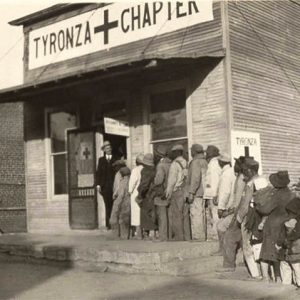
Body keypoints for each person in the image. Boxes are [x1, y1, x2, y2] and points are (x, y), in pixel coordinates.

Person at [219, 158, 262, 275]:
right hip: (259, 216)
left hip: (248, 216)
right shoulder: (263, 180)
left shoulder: (249, 183)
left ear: (250, 170)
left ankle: (254, 274)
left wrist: (238, 218)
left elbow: (244, 203)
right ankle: (260, 272)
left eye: (245, 170)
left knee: (238, 240)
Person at [256, 171, 294, 282]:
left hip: (274, 225)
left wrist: (258, 204)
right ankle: (278, 277)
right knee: (279, 253)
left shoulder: (277, 195)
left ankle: (265, 277)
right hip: (286, 225)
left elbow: (265, 209)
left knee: (266, 252)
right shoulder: (291, 194)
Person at [166, 144, 191, 241]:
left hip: (177, 192)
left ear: (176, 153)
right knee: (185, 215)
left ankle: (179, 237)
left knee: (177, 215)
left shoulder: (174, 164)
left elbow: (172, 181)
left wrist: (168, 192)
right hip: (186, 191)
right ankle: (187, 236)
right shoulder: (187, 163)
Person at [214, 154, 236, 255]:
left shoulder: (226, 174)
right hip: (233, 205)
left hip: (229, 206)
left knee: (220, 227)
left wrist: (221, 207)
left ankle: (222, 250)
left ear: (221, 163)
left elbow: (225, 192)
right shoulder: (232, 172)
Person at [277, 196, 300, 287]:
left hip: (294, 250)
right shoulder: (292, 221)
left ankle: (288, 285)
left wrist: (284, 241)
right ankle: (290, 285)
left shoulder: (292, 222)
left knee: (295, 268)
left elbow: (292, 235)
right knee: (293, 268)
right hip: (290, 250)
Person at [186, 144, 207, 242]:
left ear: (194, 152)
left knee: (196, 214)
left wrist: (191, 192)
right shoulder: (205, 161)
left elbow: (195, 178)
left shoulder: (195, 162)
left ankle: (198, 237)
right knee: (202, 214)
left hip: (197, 193)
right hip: (204, 192)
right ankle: (203, 235)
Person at [96, 141, 119, 228]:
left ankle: (115, 224)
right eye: (107, 148)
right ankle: (108, 224)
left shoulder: (116, 159)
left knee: (115, 205)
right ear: (104, 150)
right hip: (105, 187)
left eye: (109, 148)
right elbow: (98, 173)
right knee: (107, 205)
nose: (108, 149)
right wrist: (98, 185)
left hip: (114, 186)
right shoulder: (101, 160)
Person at [153, 145, 172, 242]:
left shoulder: (160, 166)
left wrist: (154, 180)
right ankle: (168, 235)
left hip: (162, 193)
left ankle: (163, 236)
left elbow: (159, 180)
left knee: (162, 216)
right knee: (168, 215)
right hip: (170, 192)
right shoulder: (171, 163)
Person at [137, 153, 157, 240]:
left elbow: (144, 185)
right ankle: (154, 232)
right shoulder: (155, 170)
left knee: (146, 213)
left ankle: (149, 234)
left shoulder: (145, 171)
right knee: (153, 213)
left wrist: (139, 195)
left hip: (147, 195)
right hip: (154, 194)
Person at [203, 145, 222, 241]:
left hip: (213, 194)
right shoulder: (217, 163)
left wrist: (215, 195)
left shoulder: (213, 164)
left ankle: (216, 236)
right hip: (214, 193)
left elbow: (214, 180)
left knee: (214, 215)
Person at [109, 167, 131, 239]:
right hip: (128, 202)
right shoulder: (129, 180)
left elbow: (121, 194)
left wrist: (116, 202)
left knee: (119, 219)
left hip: (122, 202)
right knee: (125, 219)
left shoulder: (123, 182)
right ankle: (125, 235)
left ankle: (119, 236)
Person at [128, 153, 144, 239]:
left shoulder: (135, 170)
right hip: (144, 193)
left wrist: (130, 191)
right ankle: (145, 232)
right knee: (142, 213)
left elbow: (132, 183)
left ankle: (138, 234)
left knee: (136, 213)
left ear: (136, 162)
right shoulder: (145, 169)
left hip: (136, 193)